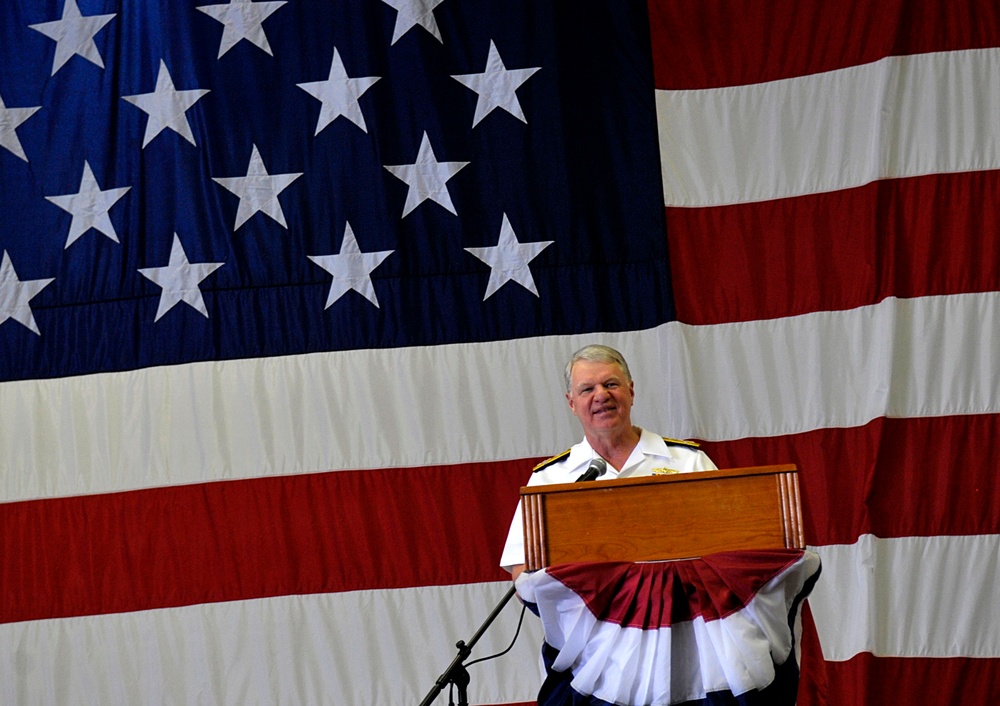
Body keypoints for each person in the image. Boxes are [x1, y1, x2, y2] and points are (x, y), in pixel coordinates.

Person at [499, 344, 717, 579]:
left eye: (611, 384)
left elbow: (728, 547)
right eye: (587, 389)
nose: (601, 395)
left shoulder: (689, 463)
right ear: (572, 403)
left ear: (631, 392)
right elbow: (522, 571)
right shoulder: (548, 480)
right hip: (591, 615)